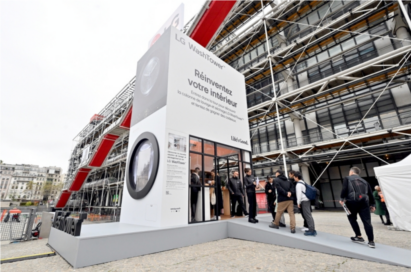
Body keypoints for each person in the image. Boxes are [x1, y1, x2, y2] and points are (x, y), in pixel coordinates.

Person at [340, 167, 376, 248]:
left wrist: (342, 198)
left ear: (351, 172)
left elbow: (344, 188)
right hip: (364, 202)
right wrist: (373, 204)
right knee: (367, 221)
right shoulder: (365, 181)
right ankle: (371, 241)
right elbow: (370, 193)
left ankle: (359, 236)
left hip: (351, 201)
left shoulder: (347, 178)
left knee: (352, 218)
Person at [294, 171, 316, 236]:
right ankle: (311, 229)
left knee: (307, 215)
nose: (294, 178)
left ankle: (312, 230)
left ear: (297, 177)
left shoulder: (298, 184)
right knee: (308, 215)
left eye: (294, 177)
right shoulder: (303, 182)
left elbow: (299, 194)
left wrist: (298, 202)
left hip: (304, 201)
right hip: (307, 200)